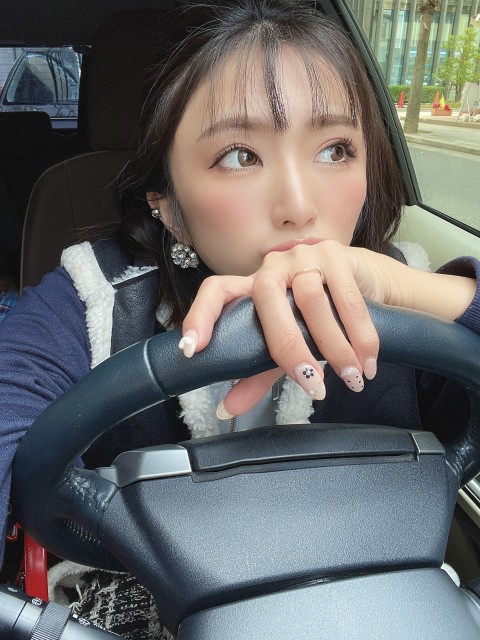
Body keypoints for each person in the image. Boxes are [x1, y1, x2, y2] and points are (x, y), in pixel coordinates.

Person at [0, 0, 479, 637]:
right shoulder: (94, 298)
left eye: (336, 149)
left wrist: (415, 290)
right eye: (239, 156)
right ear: (169, 207)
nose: (299, 205)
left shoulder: (406, 292)